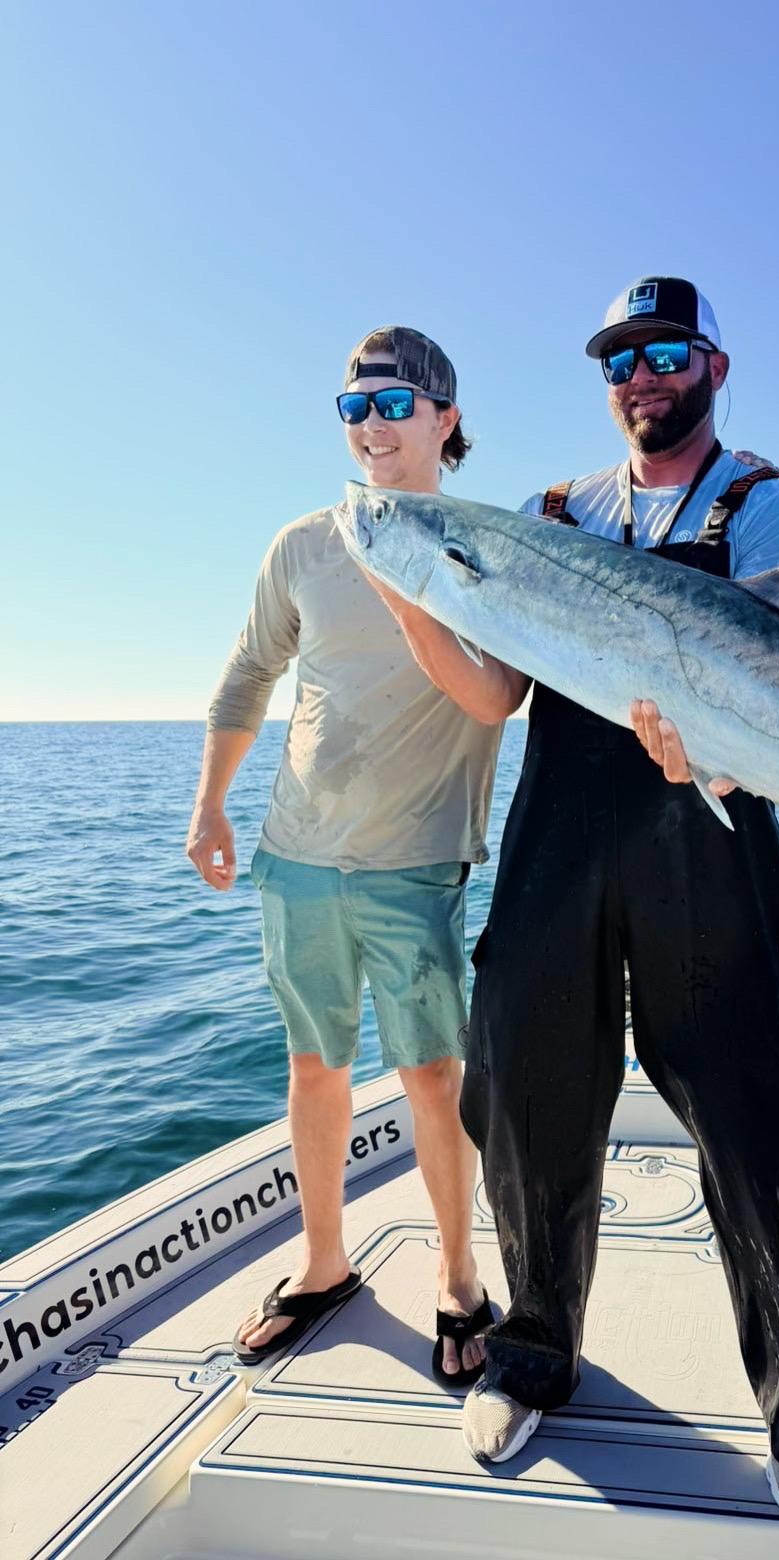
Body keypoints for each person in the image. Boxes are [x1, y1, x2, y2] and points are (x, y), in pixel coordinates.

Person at [395, 275, 779, 1516]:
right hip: (560, 837)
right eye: (618, 360)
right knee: (519, 1095)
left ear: (713, 365)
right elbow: (498, 694)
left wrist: (706, 739)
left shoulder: (767, 505)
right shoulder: (551, 514)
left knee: (754, 1126)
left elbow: (774, 694)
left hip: (707, 831)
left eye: (663, 352)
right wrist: (411, 588)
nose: (639, 376)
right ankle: (533, 1356)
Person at [186, 326, 504, 1384]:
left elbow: (496, 699)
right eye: (354, 407)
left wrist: (412, 598)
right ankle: (324, 1264)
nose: (372, 424)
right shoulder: (303, 545)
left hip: (417, 862)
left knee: (431, 1075)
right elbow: (249, 673)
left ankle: (459, 1280)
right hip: (299, 854)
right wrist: (211, 805)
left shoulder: (486, 547)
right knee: (313, 1067)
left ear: (445, 419)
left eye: (395, 403)